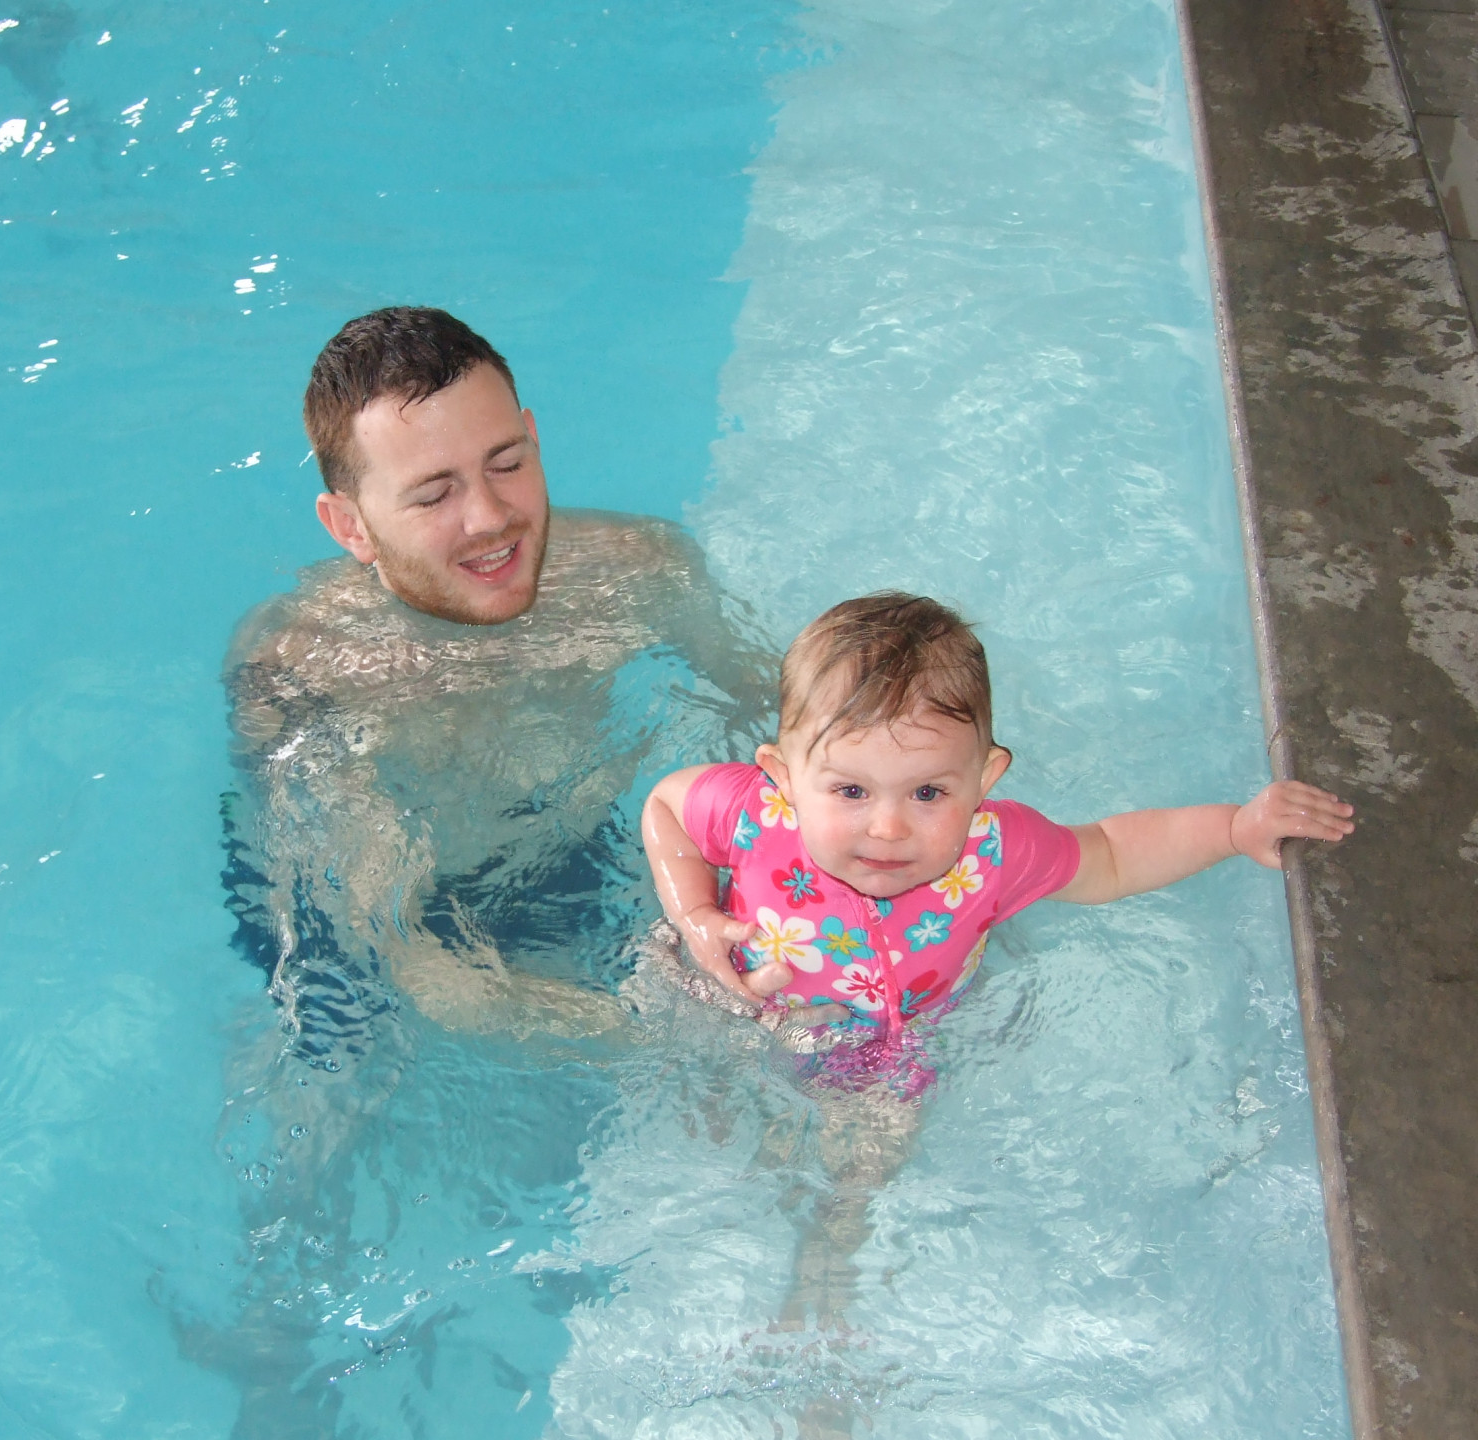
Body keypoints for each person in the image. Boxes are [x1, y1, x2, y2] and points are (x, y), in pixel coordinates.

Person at [196, 307, 774, 1434]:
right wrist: (694, 1037)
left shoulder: (642, 574)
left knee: (574, 1146)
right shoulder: (306, 669)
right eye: (431, 494)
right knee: (329, 1089)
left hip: (552, 847)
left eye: (507, 463)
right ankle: (267, 1336)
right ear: (347, 524)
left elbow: (793, 730)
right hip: (359, 904)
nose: (492, 517)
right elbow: (425, 970)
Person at [643, 591, 1355, 1068]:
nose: (887, 827)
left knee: (870, 1157)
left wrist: (1234, 827)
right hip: (734, 999)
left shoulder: (994, 852)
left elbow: (1108, 856)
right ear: (784, 776)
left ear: (984, 780)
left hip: (896, 1045)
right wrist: (696, 914)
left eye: (928, 791)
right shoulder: (752, 814)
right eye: (851, 790)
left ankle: (830, 1263)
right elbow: (665, 810)